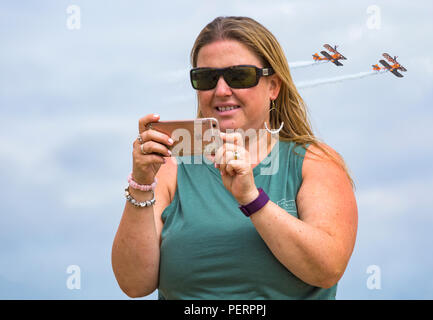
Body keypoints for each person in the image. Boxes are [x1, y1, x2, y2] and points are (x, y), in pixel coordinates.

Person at [111, 16, 358, 300]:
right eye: (206, 78)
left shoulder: (314, 163)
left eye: (240, 76)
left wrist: (252, 199)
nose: (221, 90)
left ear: (273, 86)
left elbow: (326, 268)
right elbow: (133, 284)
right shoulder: (170, 167)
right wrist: (141, 184)